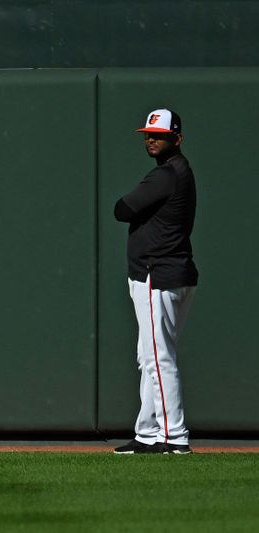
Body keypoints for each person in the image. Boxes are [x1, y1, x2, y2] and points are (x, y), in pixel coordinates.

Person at [113, 108, 197, 455]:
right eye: (148, 133)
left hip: (157, 274)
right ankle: (147, 432)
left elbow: (122, 208)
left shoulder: (167, 174)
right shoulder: (177, 171)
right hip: (169, 272)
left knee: (158, 358)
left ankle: (173, 436)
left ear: (175, 138)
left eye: (159, 135)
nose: (151, 139)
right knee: (149, 356)